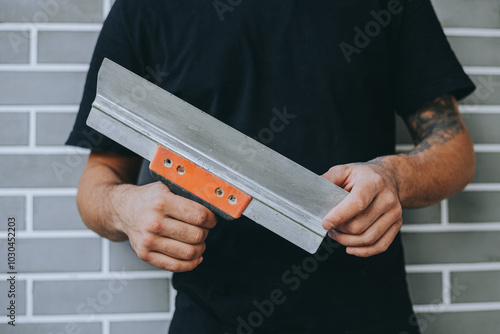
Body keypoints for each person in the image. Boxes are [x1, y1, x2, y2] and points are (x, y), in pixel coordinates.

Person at [66, 0, 476, 333]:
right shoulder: (146, 8)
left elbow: (455, 151)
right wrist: (126, 208)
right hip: (212, 318)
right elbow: (98, 180)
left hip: (368, 317)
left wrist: (394, 177)